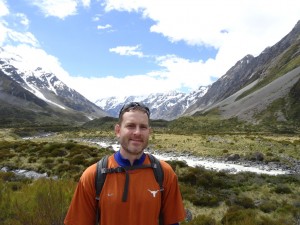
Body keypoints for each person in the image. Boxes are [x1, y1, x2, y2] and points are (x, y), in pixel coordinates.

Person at [64, 102, 186, 225]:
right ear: (118, 130)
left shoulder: (165, 173)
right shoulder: (93, 176)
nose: (137, 132)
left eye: (143, 127)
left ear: (149, 132)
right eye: (131, 126)